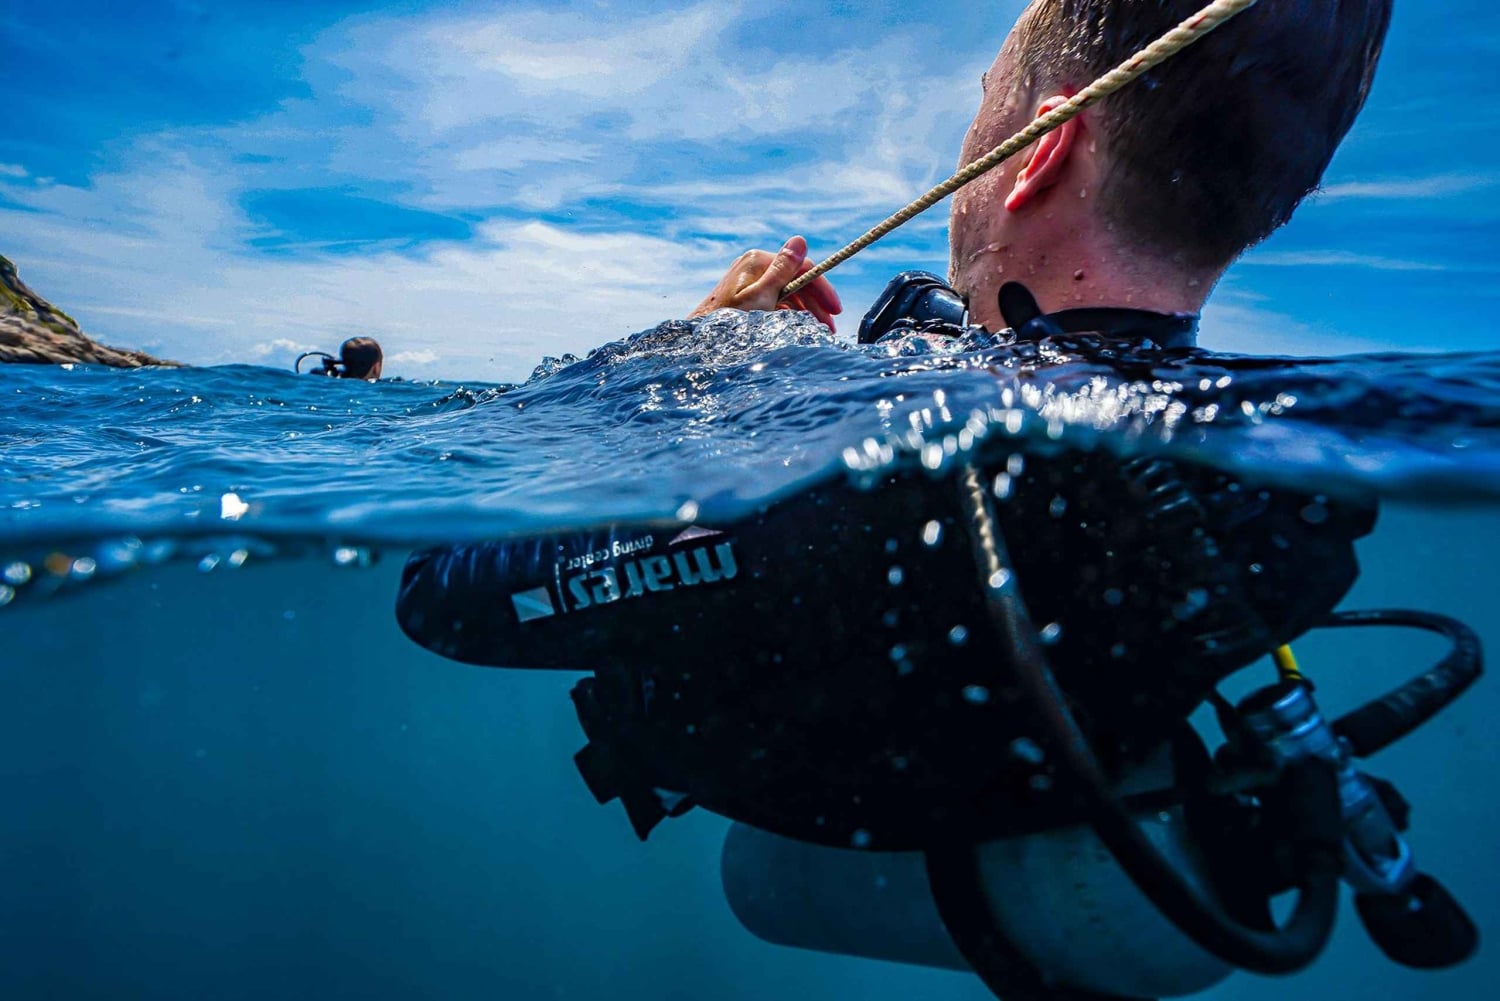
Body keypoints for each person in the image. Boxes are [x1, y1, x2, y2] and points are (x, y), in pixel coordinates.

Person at [691, 0, 1392, 339]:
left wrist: (707, 357)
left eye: (988, 96)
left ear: (1040, 149)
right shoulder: (1262, 498)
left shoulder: (867, 462)